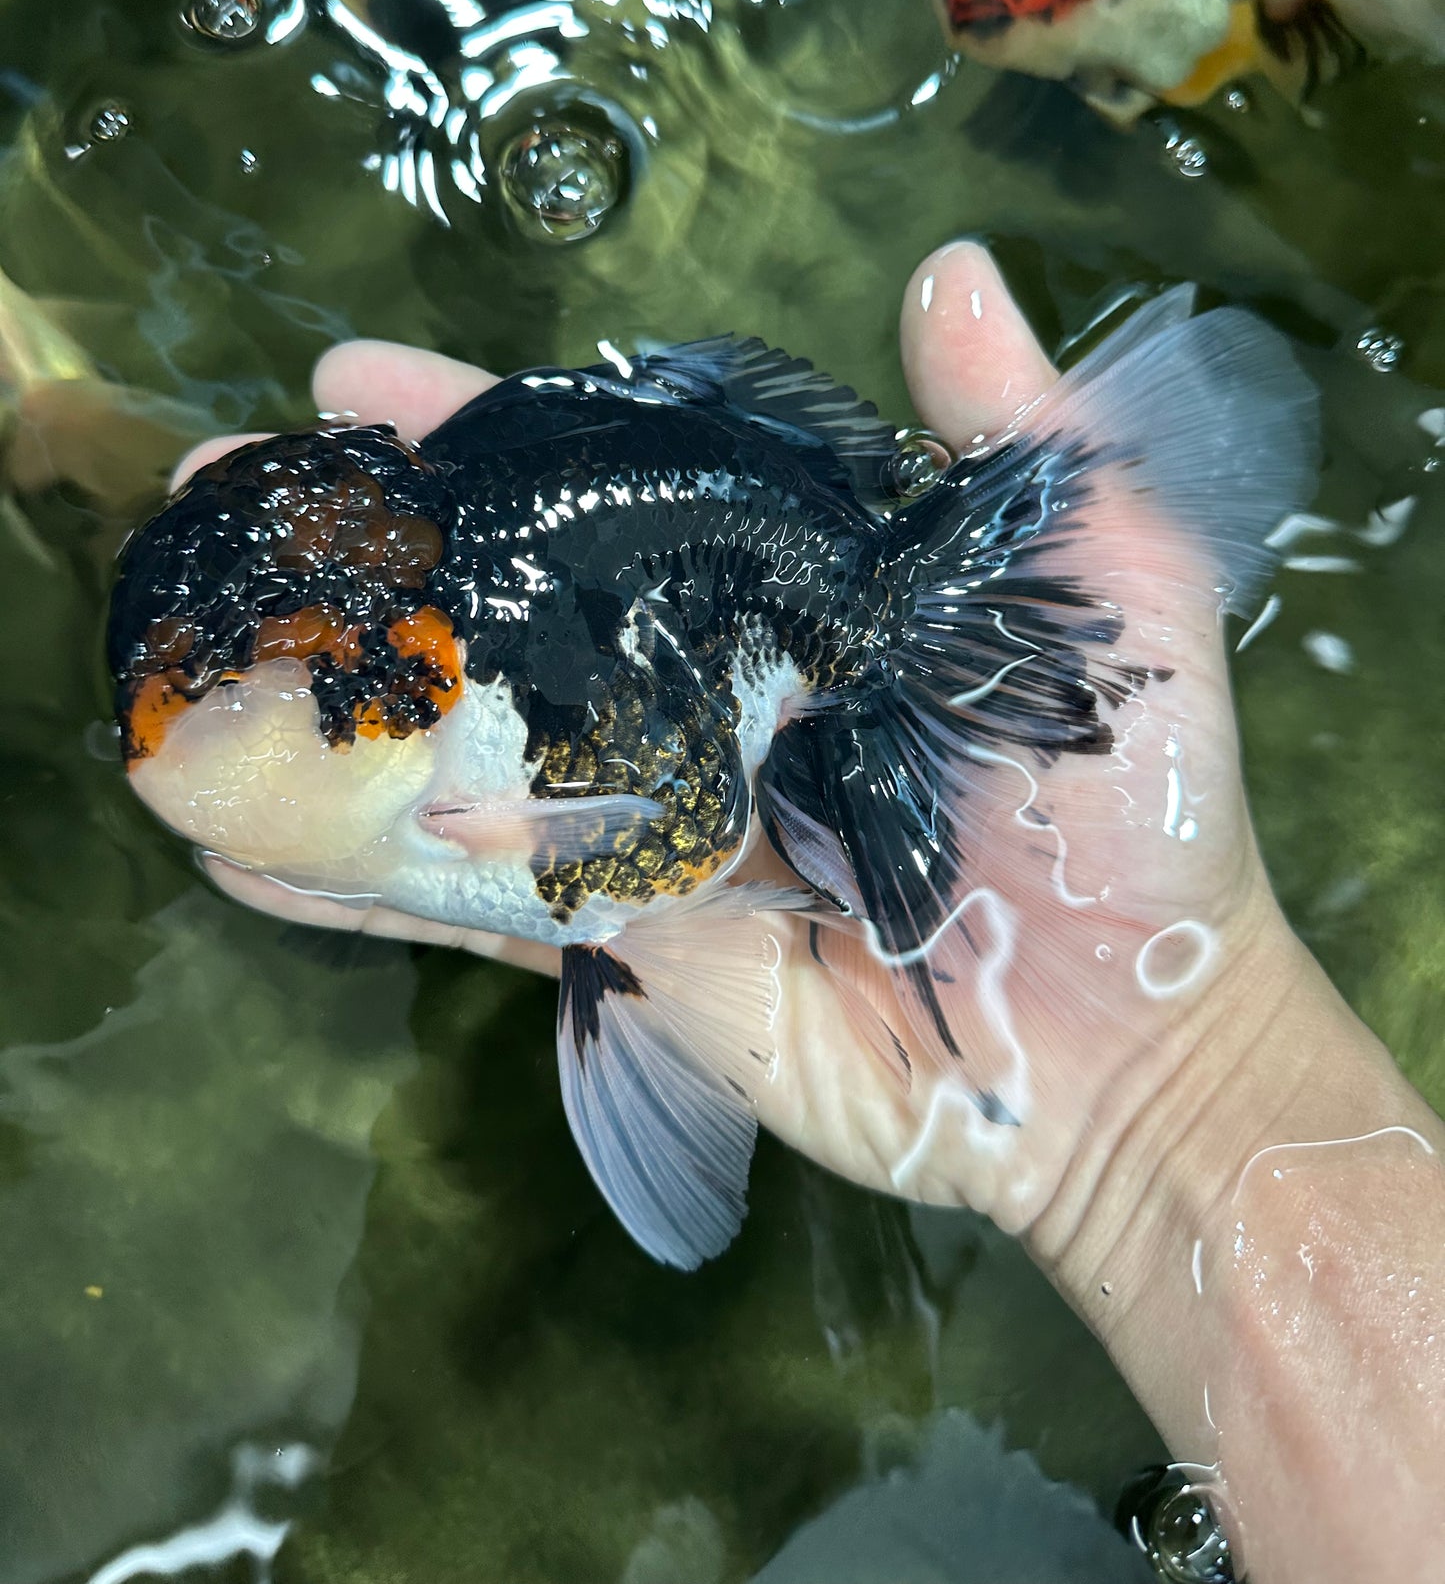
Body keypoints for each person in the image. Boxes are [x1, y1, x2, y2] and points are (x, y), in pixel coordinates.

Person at [175, 242, 1445, 1582]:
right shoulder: (411, 720)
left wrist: (1170, 1081)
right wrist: (1175, 1088)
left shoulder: (444, 753)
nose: (224, 719)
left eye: (251, 687)